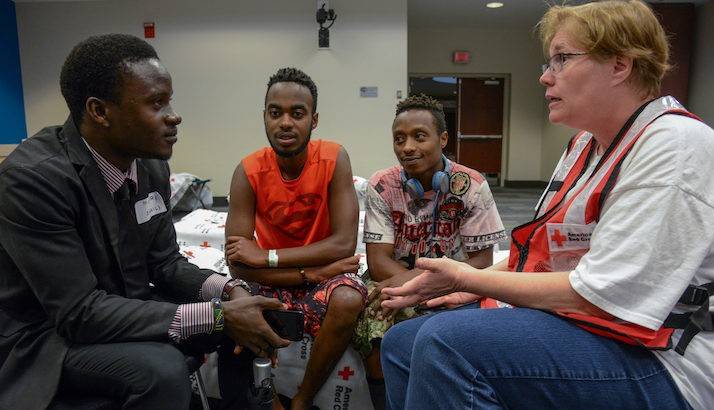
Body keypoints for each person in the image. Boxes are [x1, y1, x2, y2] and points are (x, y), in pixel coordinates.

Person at [379, 1, 713, 409]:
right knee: (401, 343)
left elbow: (600, 293)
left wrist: (468, 280)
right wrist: (462, 281)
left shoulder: (674, 146)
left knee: (446, 343)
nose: (544, 76)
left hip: (663, 361)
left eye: (562, 59)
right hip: (592, 329)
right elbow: (553, 253)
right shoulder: (585, 146)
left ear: (620, 65)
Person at [0, 34, 289, 410]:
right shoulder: (33, 180)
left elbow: (165, 264)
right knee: (162, 369)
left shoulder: (151, 166)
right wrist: (217, 315)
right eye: (157, 103)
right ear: (99, 111)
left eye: (169, 99)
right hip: (48, 337)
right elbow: (78, 313)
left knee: (249, 323)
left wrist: (230, 291)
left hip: (124, 306)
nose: (174, 115)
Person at [222, 67, 367, 410]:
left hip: (314, 275)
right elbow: (239, 265)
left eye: (297, 113)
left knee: (348, 298)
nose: (285, 122)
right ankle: (270, 400)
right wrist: (309, 274)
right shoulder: (247, 171)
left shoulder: (334, 158)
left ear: (313, 120)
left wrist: (268, 256)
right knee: (235, 298)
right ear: (264, 118)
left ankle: (302, 399)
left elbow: (344, 244)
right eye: (276, 113)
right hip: (297, 277)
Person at [352, 94, 507, 408]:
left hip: (456, 285)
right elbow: (379, 262)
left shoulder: (472, 185)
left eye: (419, 136)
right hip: (395, 282)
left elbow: (482, 261)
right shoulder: (383, 185)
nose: (407, 147)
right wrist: (422, 284)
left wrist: (429, 285)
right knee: (374, 318)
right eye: (399, 138)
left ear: (443, 138)